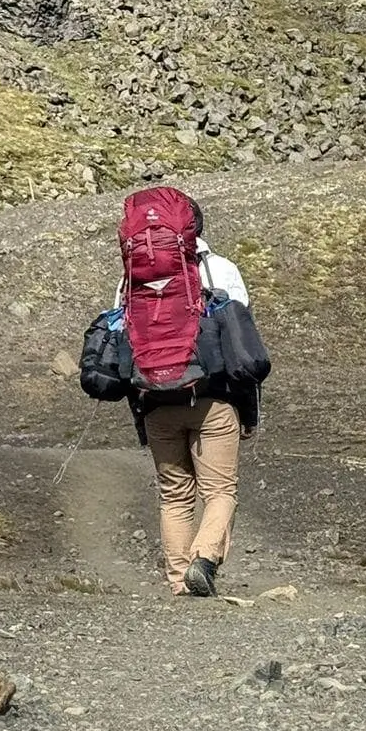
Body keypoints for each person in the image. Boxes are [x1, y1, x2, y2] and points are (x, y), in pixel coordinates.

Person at [124, 202, 262, 599]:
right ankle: (204, 560)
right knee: (219, 490)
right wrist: (248, 411)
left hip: (155, 402)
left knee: (174, 495)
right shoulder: (220, 270)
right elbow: (241, 344)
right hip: (213, 399)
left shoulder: (131, 277)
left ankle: (178, 581)